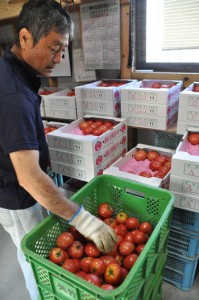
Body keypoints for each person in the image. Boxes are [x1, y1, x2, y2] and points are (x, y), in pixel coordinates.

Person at [0, 1, 117, 299]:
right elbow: (27, 177)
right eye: (54, 48)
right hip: (15, 195)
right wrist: (83, 219)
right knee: (33, 258)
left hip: (17, 185)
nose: (59, 57)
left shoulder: (14, 72)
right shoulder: (14, 96)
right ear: (25, 37)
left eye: (63, 48)